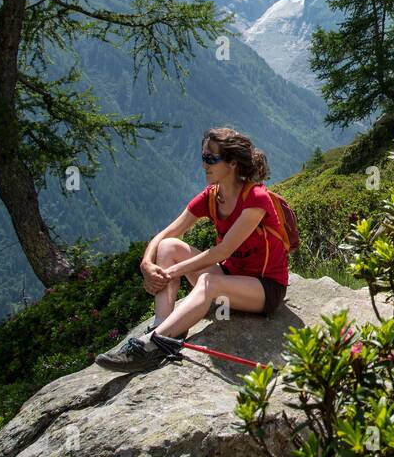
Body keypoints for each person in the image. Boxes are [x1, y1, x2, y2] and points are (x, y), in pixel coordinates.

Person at [95, 126, 290, 372]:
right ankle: (163, 327)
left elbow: (222, 252)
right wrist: (146, 263)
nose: (204, 165)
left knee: (209, 282)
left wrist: (170, 273)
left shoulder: (256, 198)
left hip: (265, 288)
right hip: (230, 279)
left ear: (231, 163)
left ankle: (150, 345)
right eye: (203, 158)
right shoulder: (212, 196)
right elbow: (166, 234)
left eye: (211, 159)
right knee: (168, 247)